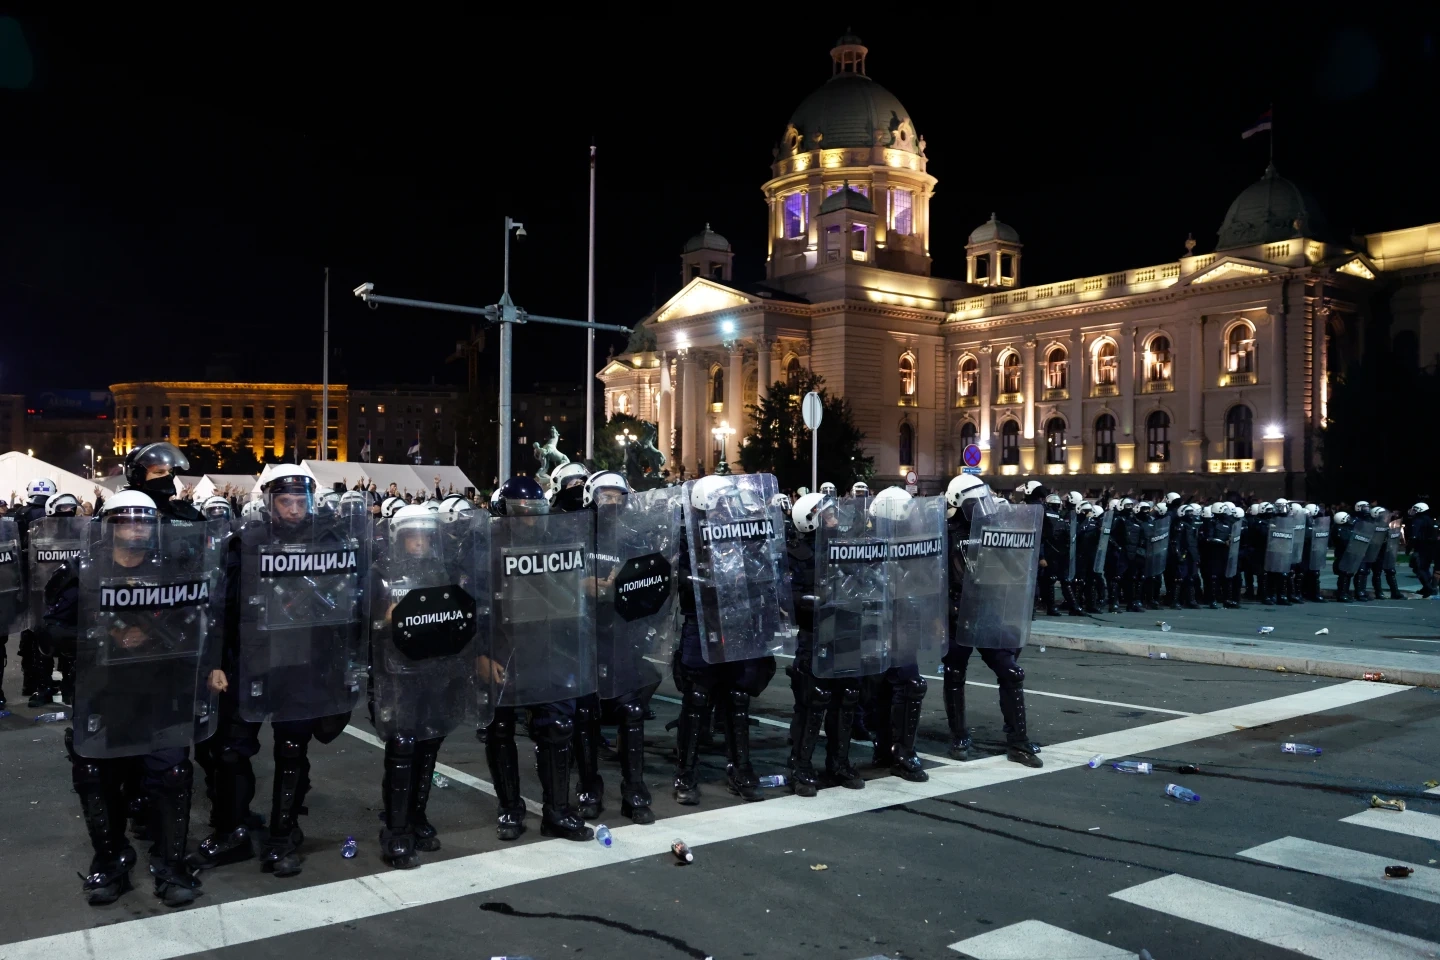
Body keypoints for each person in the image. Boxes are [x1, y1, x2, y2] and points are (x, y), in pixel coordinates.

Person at [58, 455, 225, 906]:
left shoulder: (173, 569)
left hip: (162, 690)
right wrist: (103, 636)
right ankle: (111, 861)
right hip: (105, 692)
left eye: (144, 522)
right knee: (95, 773)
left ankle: (171, 865)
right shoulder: (85, 572)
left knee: (172, 773)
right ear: (110, 526)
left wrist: (207, 664)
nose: (135, 530)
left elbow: (201, 619)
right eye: (126, 522)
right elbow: (50, 628)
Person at [192, 464, 366, 878]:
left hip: (304, 661)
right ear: (269, 502)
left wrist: (346, 663)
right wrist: (214, 663)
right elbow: (219, 608)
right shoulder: (244, 544)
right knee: (231, 750)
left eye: (300, 501)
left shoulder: (329, 543)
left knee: (292, 748)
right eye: (285, 501)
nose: (293, 509)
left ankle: (283, 835)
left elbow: (349, 606)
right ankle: (233, 830)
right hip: (250, 658)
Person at [369, 501, 484, 868]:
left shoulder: (443, 572)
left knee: (430, 741)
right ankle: (396, 829)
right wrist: (383, 620)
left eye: (426, 536)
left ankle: (417, 816)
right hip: (397, 672)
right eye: (412, 536)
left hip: (436, 669)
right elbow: (363, 625)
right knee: (403, 745)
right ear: (399, 538)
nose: (419, 542)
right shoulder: (381, 575)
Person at [482, 475, 594, 841]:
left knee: (557, 726)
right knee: (499, 729)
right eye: (521, 512)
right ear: (504, 512)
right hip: (503, 648)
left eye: (535, 512)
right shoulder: (484, 549)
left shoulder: (554, 544)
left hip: (547, 647)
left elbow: (569, 599)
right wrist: (480, 653)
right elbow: (475, 606)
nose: (530, 520)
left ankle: (557, 812)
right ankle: (510, 809)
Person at [672, 474, 785, 803]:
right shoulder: (688, 535)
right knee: (697, 696)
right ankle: (686, 773)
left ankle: (741, 768)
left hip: (737, 620)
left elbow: (762, 567)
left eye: (728, 500)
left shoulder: (741, 532)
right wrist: (703, 579)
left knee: (737, 696)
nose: (727, 507)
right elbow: (677, 574)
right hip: (702, 621)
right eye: (721, 502)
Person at [942, 473, 1043, 768]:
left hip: (987, 611)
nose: (982, 508)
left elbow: (1016, 569)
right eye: (976, 503)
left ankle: (1018, 741)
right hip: (957, 614)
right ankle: (959, 736)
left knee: (1011, 672)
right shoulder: (945, 534)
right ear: (959, 503)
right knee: (954, 673)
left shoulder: (992, 530)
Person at [584, 470, 668, 822]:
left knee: (632, 711)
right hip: (586, 636)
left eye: (618, 496)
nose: (612, 502)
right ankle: (589, 788)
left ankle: (634, 790)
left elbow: (653, 582)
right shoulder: (578, 536)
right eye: (605, 495)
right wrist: (582, 585)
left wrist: (624, 584)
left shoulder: (635, 539)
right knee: (585, 714)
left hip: (623, 635)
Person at [785, 491, 866, 795]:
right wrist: (815, 601)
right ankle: (800, 766)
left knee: (847, 697)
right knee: (813, 700)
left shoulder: (844, 549)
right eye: (828, 515)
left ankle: (839, 762)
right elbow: (788, 597)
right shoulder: (798, 554)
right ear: (810, 521)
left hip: (846, 630)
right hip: (816, 634)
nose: (834, 520)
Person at [16, 477, 58, 707]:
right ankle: (45, 683)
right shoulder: (56, 513)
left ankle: (30, 681)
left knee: (30, 631)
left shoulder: (21, 514)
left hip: (27, 579)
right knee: (47, 631)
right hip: (52, 579)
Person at [1411, 503, 1436, 597]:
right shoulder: (1429, 519)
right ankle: (1427, 587)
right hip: (1431, 547)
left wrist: (1409, 548)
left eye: (1415, 509)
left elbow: (1414, 535)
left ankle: (1428, 588)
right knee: (1425, 568)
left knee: (1419, 568)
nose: (1413, 511)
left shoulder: (1418, 520)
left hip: (1421, 546)